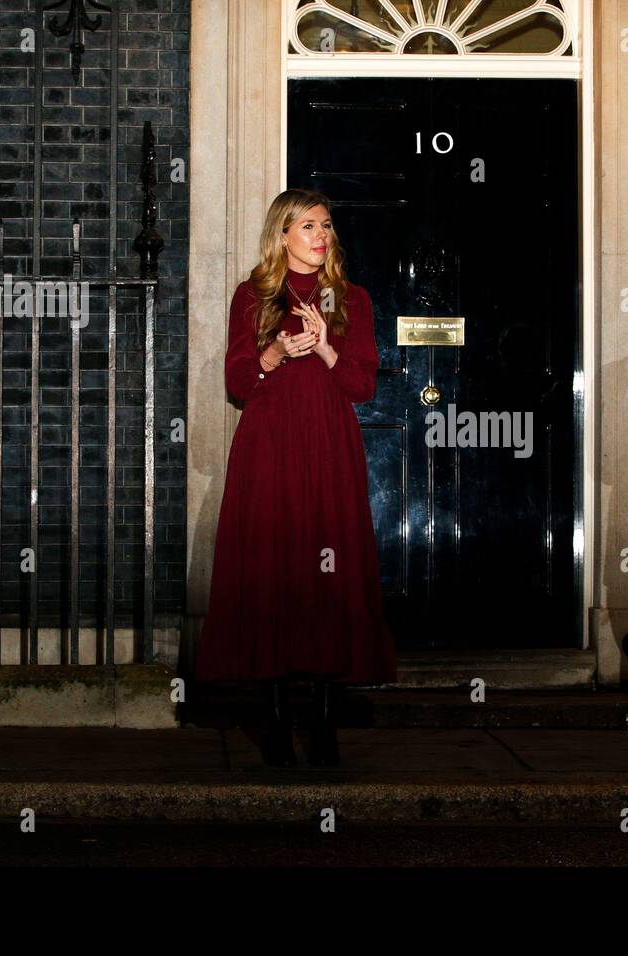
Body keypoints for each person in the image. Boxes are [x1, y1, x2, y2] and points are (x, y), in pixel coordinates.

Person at [195, 188, 397, 767]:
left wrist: (328, 348)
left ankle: (326, 722)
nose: (320, 235)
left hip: (329, 447)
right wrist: (278, 351)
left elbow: (362, 385)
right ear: (282, 234)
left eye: (326, 225)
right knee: (276, 572)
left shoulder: (352, 299)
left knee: (329, 576)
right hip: (271, 447)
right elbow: (237, 382)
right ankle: (279, 722)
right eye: (307, 225)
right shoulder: (254, 295)